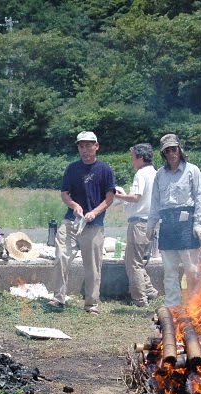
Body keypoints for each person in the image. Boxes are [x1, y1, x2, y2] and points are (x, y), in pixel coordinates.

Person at [48, 131, 116, 314]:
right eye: (81, 146)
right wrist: (74, 205)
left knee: (92, 265)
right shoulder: (72, 168)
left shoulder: (105, 169)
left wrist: (94, 212)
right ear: (78, 148)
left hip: (94, 223)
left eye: (88, 145)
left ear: (96, 146)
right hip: (72, 220)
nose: (85, 150)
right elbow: (64, 193)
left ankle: (91, 303)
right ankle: (58, 297)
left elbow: (110, 198)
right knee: (62, 255)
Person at [146, 134, 201, 308]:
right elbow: (155, 201)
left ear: (180, 150)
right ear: (163, 154)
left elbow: (200, 197)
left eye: (174, 149)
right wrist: (151, 226)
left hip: (187, 223)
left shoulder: (192, 170)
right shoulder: (160, 175)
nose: (172, 153)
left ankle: (196, 306)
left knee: (192, 270)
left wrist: (198, 223)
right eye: (167, 151)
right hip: (167, 224)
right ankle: (173, 306)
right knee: (170, 271)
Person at [114, 143, 159, 307]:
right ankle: (150, 290)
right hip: (151, 223)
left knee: (134, 263)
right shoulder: (156, 173)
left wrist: (120, 196)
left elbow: (136, 197)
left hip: (139, 223)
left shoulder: (141, 174)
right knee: (136, 260)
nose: (132, 161)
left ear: (140, 157)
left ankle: (139, 298)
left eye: (133, 157)